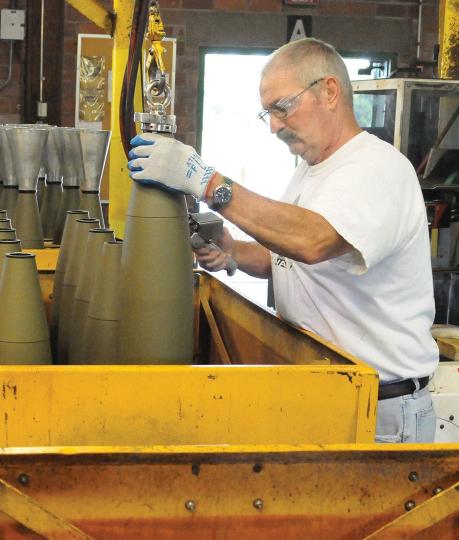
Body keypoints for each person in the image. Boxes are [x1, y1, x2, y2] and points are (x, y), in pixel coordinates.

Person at [127, 38, 438, 443]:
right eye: (266, 113)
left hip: (378, 412)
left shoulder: (377, 169)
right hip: (323, 396)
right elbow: (295, 260)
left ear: (329, 91)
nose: (274, 125)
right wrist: (234, 251)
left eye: (282, 107)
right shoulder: (311, 170)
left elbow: (313, 241)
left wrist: (207, 182)